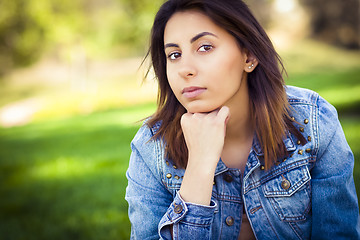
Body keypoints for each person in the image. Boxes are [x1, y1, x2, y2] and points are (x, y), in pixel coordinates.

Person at [125, 0, 360, 239]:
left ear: (249, 56)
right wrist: (199, 166)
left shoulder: (312, 121)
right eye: (174, 55)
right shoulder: (151, 148)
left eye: (205, 47)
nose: (185, 69)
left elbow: (339, 233)